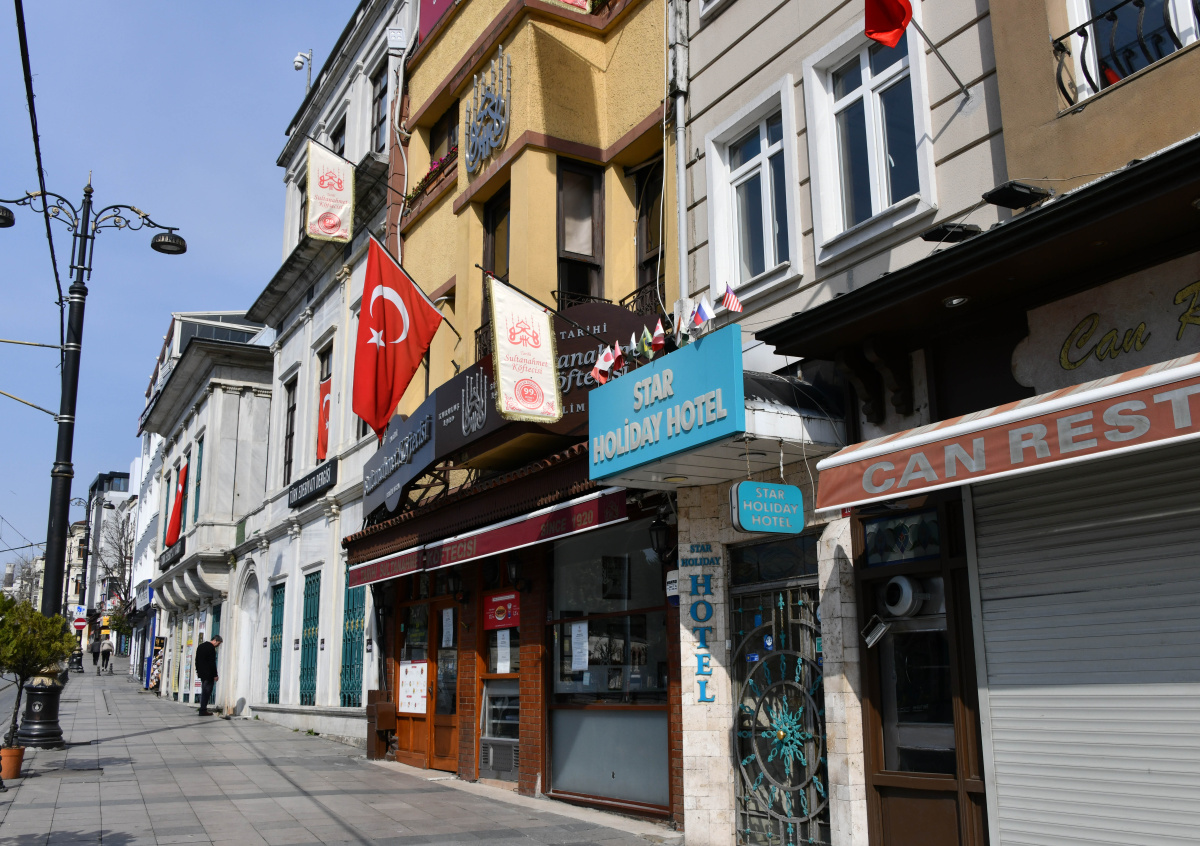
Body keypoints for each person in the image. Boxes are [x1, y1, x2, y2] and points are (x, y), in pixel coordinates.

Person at [195, 635, 222, 716]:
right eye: (218, 643)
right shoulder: (211, 648)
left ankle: (202, 708)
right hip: (209, 673)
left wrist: (198, 670)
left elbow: (197, 660)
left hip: (202, 673)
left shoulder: (201, 646)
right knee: (207, 691)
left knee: (204, 690)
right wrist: (215, 675)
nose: (218, 645)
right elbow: (212, 662)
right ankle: (203, 709)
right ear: (215, 640)